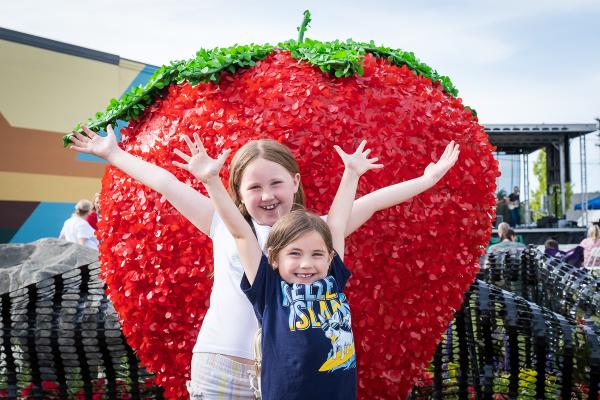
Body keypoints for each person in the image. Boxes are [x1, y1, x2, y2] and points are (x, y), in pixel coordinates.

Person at [68, 124, 459, 399]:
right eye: (254, 187)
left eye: (276, 183)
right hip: (220, 364)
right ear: (238, 191)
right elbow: (167, 184)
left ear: (295, 181)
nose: (267, 194)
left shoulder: (317, 234)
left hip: (291, 377)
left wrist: (428, 180)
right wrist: (113, 153)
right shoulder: (222, 222)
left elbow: (370, 203)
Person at [184, 136, 375, 399]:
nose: (306, 263)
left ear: (329, 256)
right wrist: (211, 182)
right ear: (273, 259)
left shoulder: (330, 276)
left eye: (316, 254)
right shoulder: (270, 292)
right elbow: (240, 234)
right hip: (235, 370)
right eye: (294, 254)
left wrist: (353, 173)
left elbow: (340, 222)